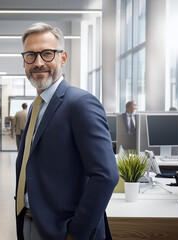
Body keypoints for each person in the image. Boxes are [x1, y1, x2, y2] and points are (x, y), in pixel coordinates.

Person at [15, 22, 119, 240]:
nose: (38, 62)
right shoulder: (36, 106)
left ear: (62, 58)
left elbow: (106, 175)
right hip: (32, 221)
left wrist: (76, 233)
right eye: (31, 55)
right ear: (24, 61)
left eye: (47, 53)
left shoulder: (80, 103)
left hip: (63, 229)